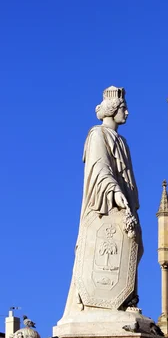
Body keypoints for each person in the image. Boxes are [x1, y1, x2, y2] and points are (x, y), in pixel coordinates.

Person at [61, 86, 143, 317]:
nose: (126, 113)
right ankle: (92, 302)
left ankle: (125, 298)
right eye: (123, 108)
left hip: (123, 208)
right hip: (105, 207)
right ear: (113, 109)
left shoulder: (122, 141)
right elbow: (100, 169)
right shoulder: (98, 134)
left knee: (136, 248)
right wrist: (115, 193)